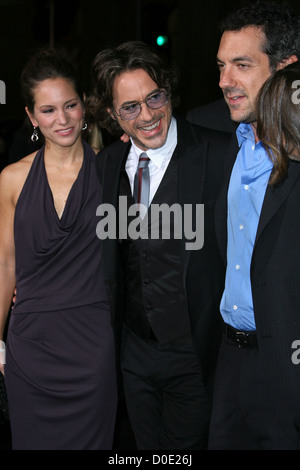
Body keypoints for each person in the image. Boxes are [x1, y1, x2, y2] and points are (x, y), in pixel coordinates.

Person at [88, 40, 232, 450]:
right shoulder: (107, 165)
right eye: (130, 106)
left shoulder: (220, 153)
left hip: (196, 355)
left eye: (154, 97)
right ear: (113, 114)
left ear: (167, 91)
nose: (148, 115)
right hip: (133, 354)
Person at [0, 49, 117, 450]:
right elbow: (5, 265)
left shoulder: (113, 172)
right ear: (32, 117)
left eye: (70, 105)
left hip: (93, 343)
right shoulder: (12, 179)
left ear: (84, 104)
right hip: (31, 345)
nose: (62, 119)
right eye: (48, 110)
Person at [209, 0, 300, 449]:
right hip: (229, 360)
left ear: (286, 69)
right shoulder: (227, 142)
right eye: (222, 66)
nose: (226, 81)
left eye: (242, 65)